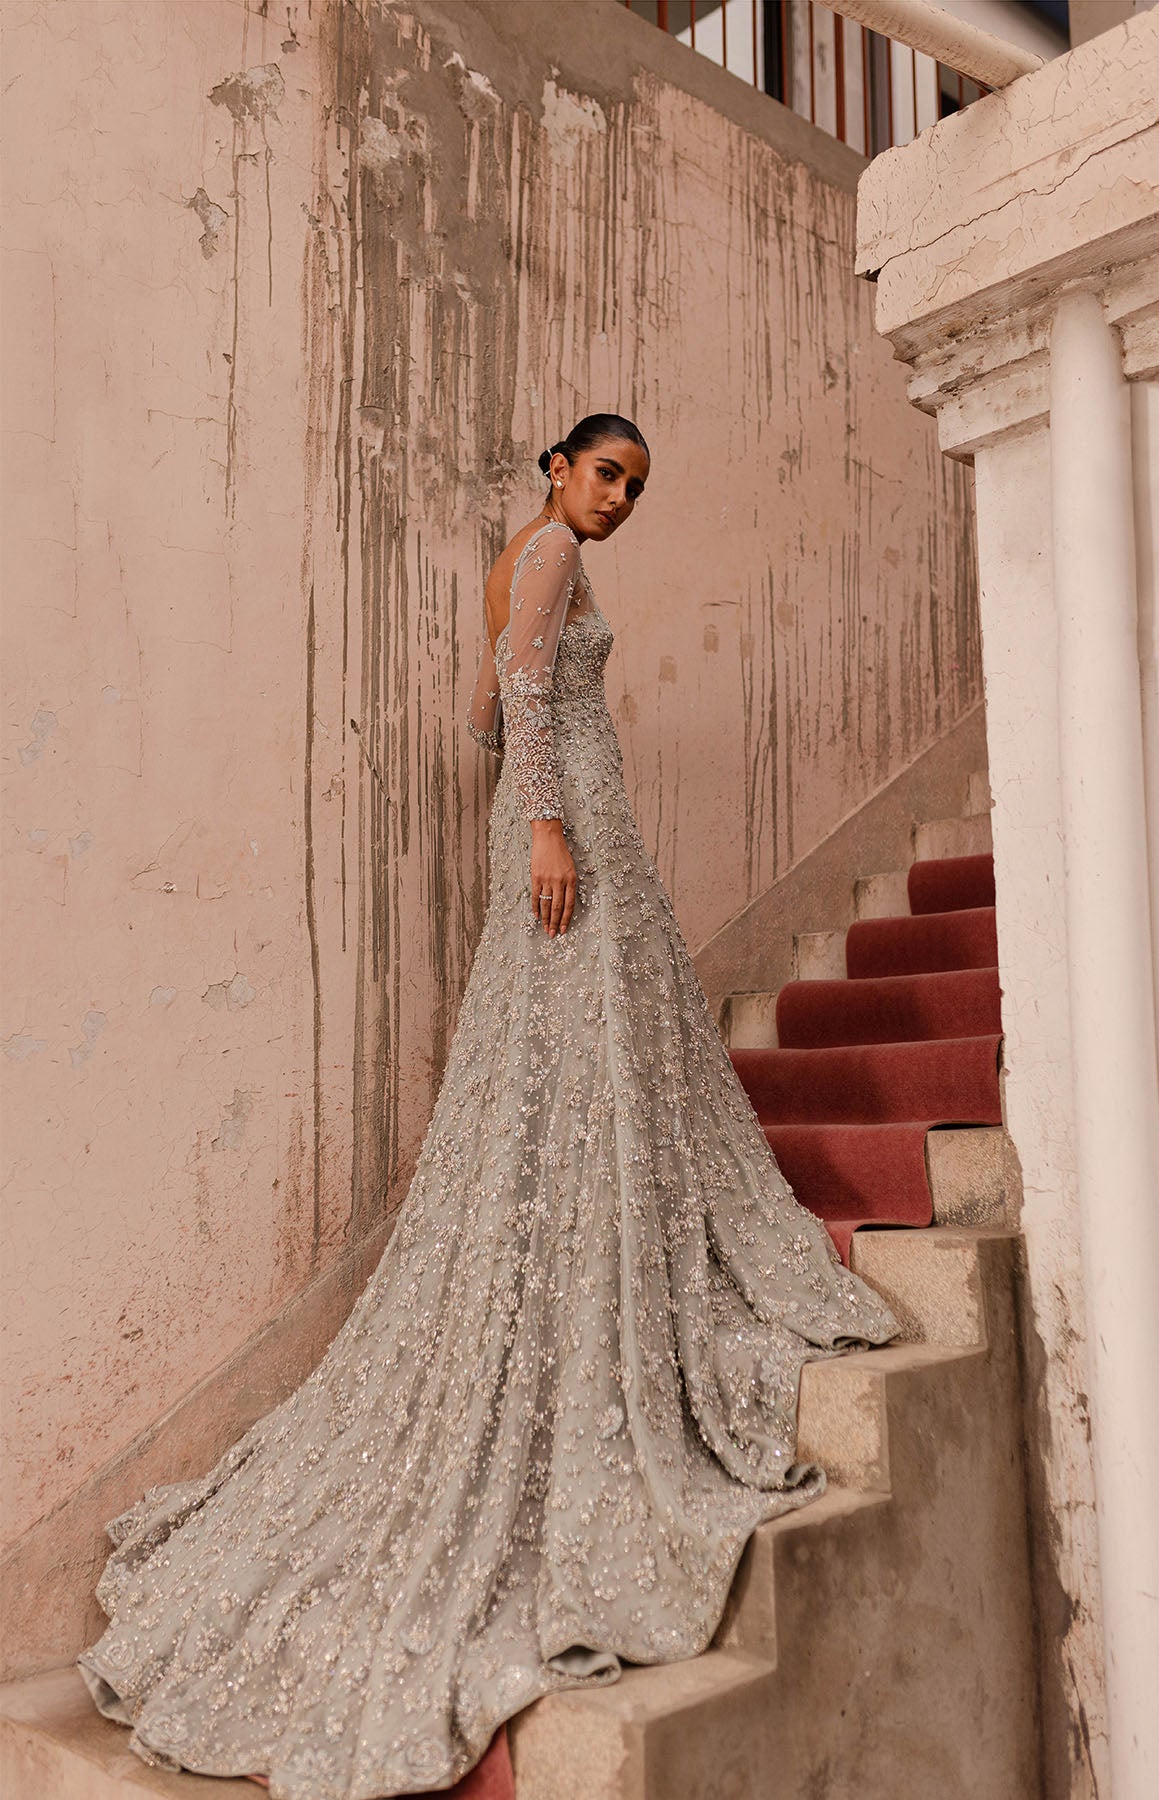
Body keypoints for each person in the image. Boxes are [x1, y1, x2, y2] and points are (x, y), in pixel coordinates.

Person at [76, 412, 899, 1799]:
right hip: (575, 828)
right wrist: (549, 818)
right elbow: (518, 690)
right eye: (605, 475)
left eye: (635, 486)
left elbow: (478, 704)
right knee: (595, 1042)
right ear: (556, 472)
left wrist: (537, 768)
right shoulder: (552, 561)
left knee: (579, 1062)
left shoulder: (523, 555)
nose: (619, 499)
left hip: (568, 814)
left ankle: (592, 1223)